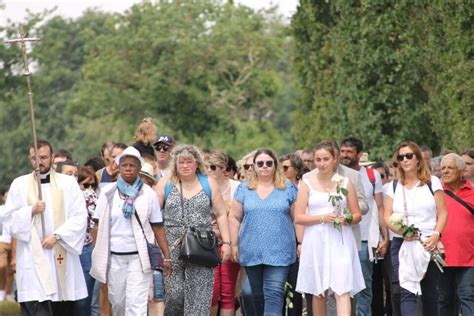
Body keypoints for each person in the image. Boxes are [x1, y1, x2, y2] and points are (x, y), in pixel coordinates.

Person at [3, 140, 88, 315]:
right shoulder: (19, 184)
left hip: (60, 256)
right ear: (29, 159)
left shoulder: (68, 184)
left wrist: (57, 236)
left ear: (52, 157)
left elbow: (80, 217)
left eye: (43, 157)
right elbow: (9, 221)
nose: (39, 162)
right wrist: (30, 210)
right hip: (32, 261)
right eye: (35, 158)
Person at [91, 146, 171, 315]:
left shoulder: (148, 194)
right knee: (118, 303)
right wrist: (97, 253)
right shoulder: (108, 192)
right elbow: (97, 225)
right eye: (124, 165)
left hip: (139, 257)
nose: (128, 168)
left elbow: (157, 226)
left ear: (139, 168)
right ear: (119, 167)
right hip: (114, 257)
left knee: (136, 306)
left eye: (132, 165)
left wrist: (167, 257)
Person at [155, 144, 231, 315]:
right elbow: (153, 214)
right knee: (175, 294)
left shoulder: (208, 183)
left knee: (199, 296)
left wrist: (226, 242)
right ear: (175, 164)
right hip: (172, 245)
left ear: (197, 163)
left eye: (189, 161)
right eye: (181, 162)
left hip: (202, 244)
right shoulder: (166, 182)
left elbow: (220, 214)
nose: (185, 166)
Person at [295, 140, 364, 316]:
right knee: (319, 292)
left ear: (334, 159)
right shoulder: (307, 182)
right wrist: (323, 218)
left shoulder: (345, 182)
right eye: (318, 159)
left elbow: (357, 215)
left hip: (340, 241)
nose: (321, 163)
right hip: (316, 240)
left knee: (342, 290)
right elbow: (299, 216)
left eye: (325, 159)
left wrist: (345, 219)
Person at [229, 148, 297, 315]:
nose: (264, 166)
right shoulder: (244, 189)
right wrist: (233, 244)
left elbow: (297, 219)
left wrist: (301, 242)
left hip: (280, 251)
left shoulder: (288, 188)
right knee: (256, 295)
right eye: (260, 163)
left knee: (274, 294)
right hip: (251, 250)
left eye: (269, 163)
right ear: (254, 166)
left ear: (275, 165)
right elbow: (234, 218)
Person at [384, 141, 447, 316]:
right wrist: (402, 231)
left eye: (409, 156)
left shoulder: (432, 182)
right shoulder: (394, 186)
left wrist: (436, 235)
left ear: (418, 159)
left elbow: (442, 213)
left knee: (429, 292)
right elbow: (387, 216)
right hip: (402, 243)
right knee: (406, 291)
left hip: (428, 241)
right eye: (401, 157)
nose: (404, 160)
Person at [340, 137, 388, 316]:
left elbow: (380, 207)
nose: (345, 155)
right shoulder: (335, 173)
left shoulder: (371, 175)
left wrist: (384, 237)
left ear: (359, 154)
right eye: (343, 151)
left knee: (364, 286)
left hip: (365, 239)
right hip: (340, 237)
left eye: (349, 152)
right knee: (342, 285)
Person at [438, 153, 474, 315]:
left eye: (450, 168)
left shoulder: (472, 193)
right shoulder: (436, 193)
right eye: (442, 168)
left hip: (469, 258)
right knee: (444, 300)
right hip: (440, 257)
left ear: (461, 171)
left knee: (468, 297)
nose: (445, 171)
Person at [206, 150, 241, 316]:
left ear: (224, 168)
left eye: (213, 167)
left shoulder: (237, 188)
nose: (209, 170)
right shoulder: (202, 187)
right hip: (207, 244)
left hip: (231, 242)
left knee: (228, 292)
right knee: (212, 293)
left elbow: (240, 216)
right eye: (206, 167)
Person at [73, 166, 99, 316]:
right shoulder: (71, 198)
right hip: (72, 248)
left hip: (88, 247)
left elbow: (95, 224)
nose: (89, 189)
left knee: (88, 298)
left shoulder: (95, 199)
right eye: (85, 185)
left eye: (93, 185)